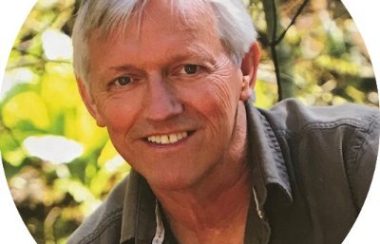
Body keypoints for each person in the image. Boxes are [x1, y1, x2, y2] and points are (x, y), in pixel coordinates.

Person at [68, 0, 379, 243]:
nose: (160, 110)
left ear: (246, 69)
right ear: (91, 100)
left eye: (189, 69)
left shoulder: (357, 165)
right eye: (124, 81)